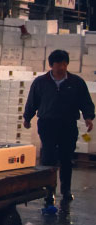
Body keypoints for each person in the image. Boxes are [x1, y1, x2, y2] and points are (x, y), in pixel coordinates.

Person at [23, 49, 94, 211]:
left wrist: (89, 117)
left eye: (64, 64)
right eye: (58, 64)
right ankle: (49, 191)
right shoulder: (41, 82)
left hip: (68, 124)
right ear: (51, 65)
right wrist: (27, 117)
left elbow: (85, 101)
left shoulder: (76, 82)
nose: (61, 67)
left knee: (66, 158)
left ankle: (66, 190)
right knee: (48, 157)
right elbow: (32, 101)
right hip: (47, 124)